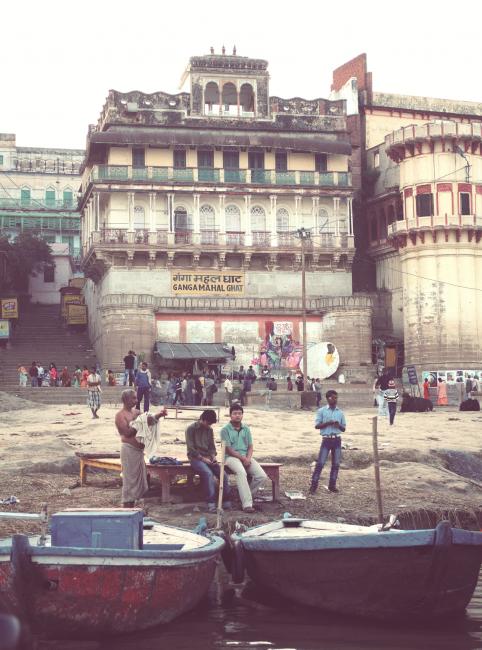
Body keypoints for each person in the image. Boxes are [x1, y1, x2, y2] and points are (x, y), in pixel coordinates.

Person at [115, 390, 167, 507]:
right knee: (129, 481)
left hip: (139, 452)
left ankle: (135, 507)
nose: (136, 400)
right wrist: (139, 423)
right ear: (126, 400)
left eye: (136, 398)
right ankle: (127, 507)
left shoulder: (138, 412)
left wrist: (159, 415)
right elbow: (127, 433)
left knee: (141, 481)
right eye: (133, 398)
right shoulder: (120, 415)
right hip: (128, 450)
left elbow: (149, 420)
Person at [221, 404, 267, 513]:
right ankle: (246, 504)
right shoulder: (225, 430)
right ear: (230, 415)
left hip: (246, 456)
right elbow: (228, 449)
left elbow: (250, 446)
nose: (237, 416)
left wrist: (248, 458)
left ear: (242, 415)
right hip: (230, 458)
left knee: (261, 476)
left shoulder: (246, 428)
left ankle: (244, 497)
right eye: (235, 413)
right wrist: (243, 459)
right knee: (241, 472)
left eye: (239, 413)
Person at [185, 409, 231, 513]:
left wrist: (213, 456)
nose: (209, 425)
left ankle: (226, 501)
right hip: (195, 458)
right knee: (208, 474)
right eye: (208, 423)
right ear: (202, 419)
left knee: (223, 474)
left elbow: (211, 446)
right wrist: (203, 459)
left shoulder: (209, 430)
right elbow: (191, 449)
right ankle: (211, 503)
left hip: (208, 458)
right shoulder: (190, 429)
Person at [309, 389, 346, 494]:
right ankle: (313, 486)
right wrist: (328, 423)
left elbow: (343, 429)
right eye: (333, 398)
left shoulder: (340, 412)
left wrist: (338, 425)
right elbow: (317, 426)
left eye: (336, 398)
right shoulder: (321, 411)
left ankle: (332, 485)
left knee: (336, 464)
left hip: (337, 439)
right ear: (328, 398)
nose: (335, 400)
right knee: (320, 463)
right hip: (326, 439)